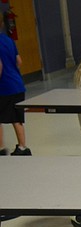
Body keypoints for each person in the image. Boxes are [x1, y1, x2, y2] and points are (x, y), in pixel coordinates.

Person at [0, 15, 30, 155]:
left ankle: (1, 147)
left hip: (3, 88)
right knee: (17, 118)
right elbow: (19, 61)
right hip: (17, 85)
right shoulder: (8, 40)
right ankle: (22, 147)